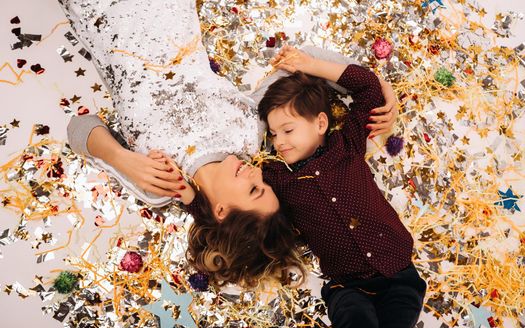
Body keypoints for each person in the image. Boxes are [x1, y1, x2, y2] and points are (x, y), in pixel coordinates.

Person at [59, 0, 398, 286]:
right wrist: (378, 87)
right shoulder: (250, 132)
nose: (257, 175)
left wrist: (119, 157)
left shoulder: (162, 183)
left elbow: (78, 127)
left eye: (254, 191)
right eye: (264, 186)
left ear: (221, 212)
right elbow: (303, 65)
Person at [246, 46, 426, 328]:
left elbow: (368, 87)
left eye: (287, 130)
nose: (279, 141)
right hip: (347, 287)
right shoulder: (277, 178)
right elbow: (235, 165)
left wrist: (311, 64)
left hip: (399, 275)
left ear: (320, 123)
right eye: (274, 134)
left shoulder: (348, 144)